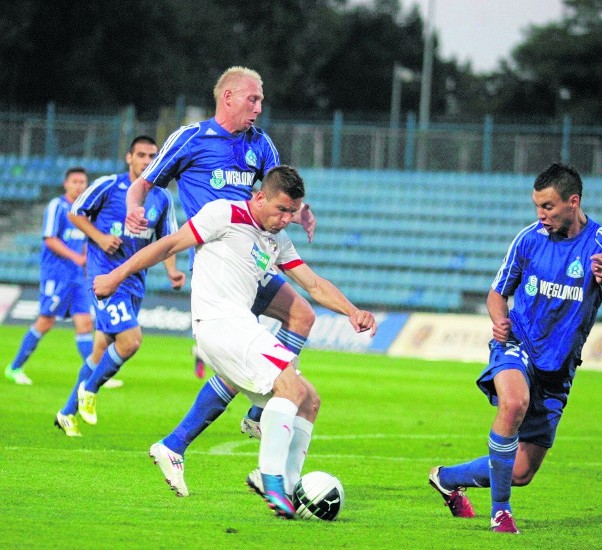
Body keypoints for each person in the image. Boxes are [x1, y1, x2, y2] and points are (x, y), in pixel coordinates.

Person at [94, 165, 376, 517]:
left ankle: (287, 490)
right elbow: (168, 244)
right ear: (260, 197)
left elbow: (314, 284)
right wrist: (116, 276)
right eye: (282, 210)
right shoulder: (224, 213)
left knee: (309, 401)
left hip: (240, 327)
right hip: (219, 324)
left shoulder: (276, 240)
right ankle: (269, 477)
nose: (287, 218)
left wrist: (352, 311)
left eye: (293, 212)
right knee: (291, 386)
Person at [428, 163, 602, 534]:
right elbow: (497, 293)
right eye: (537, 206)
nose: (541, 215)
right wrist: (498, 319)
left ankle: (446, 477)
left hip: (559, 366)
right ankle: (501, 514)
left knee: (521, 472)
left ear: (573, 202)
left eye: (548, 207)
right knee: (513, 402)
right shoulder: (529, 238)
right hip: (517, 342)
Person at [125, 66, 317, 442]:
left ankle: (253, 414)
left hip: (255, 258)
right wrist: (135, 206)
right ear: (228, 97)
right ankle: (186, 440)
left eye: (261, 99)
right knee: (239, 363)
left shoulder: (261, 144)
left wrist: (299, 210)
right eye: (253, 98)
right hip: (219, 265)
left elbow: (278, 191)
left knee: (301, 316)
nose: (259, 107)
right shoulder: (190, 138)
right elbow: (143, 184)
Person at [54, 136, 186, 437]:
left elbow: (167, 241)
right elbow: (75, 212)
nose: (146, 160)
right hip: (105, 278)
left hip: (135, 282)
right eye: (141, 155)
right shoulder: (109, 186)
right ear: (129, 157)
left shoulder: (161, 198)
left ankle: (66, 412)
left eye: (152, 155)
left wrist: (173, 271)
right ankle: (90, 389)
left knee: (101, 349)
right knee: (130, 341)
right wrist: (99, 238)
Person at [5, 168, 93, 386]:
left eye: (83, 182)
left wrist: (85, 264)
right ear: (66, 184)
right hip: (56, 275)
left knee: (85, 323)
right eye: (75, 181)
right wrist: (77, 258)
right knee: (45, 321)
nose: (79, 185)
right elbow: (50, 239)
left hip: (76, 277)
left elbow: (84, 243)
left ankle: (94, 374)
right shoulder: (57, 206)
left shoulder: (84, 211)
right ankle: (14, 368)